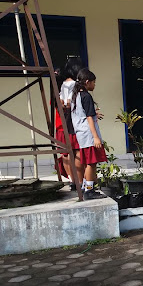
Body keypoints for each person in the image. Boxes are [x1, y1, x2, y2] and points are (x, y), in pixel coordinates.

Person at [70, 68, 107, 200]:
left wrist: (94, 114)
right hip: (88, 134)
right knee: (91, 162)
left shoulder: (76, 95)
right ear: (87, 82)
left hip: (81, 133)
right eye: (93, 82)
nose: (94, 85)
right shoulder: (86, 96)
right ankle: (89, 191)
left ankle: (86, 186)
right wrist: (95, 137)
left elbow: (83, 113)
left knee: (88, 162)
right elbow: (89, 117)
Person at [55, 57, 84, 189]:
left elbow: (62, 103)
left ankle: (73, 181)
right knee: (78, 152)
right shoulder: (74, 84)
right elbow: (71, 103)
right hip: (72, 122)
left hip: (61, 123)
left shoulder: (61, 85)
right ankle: (80, 181)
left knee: (65, 154)